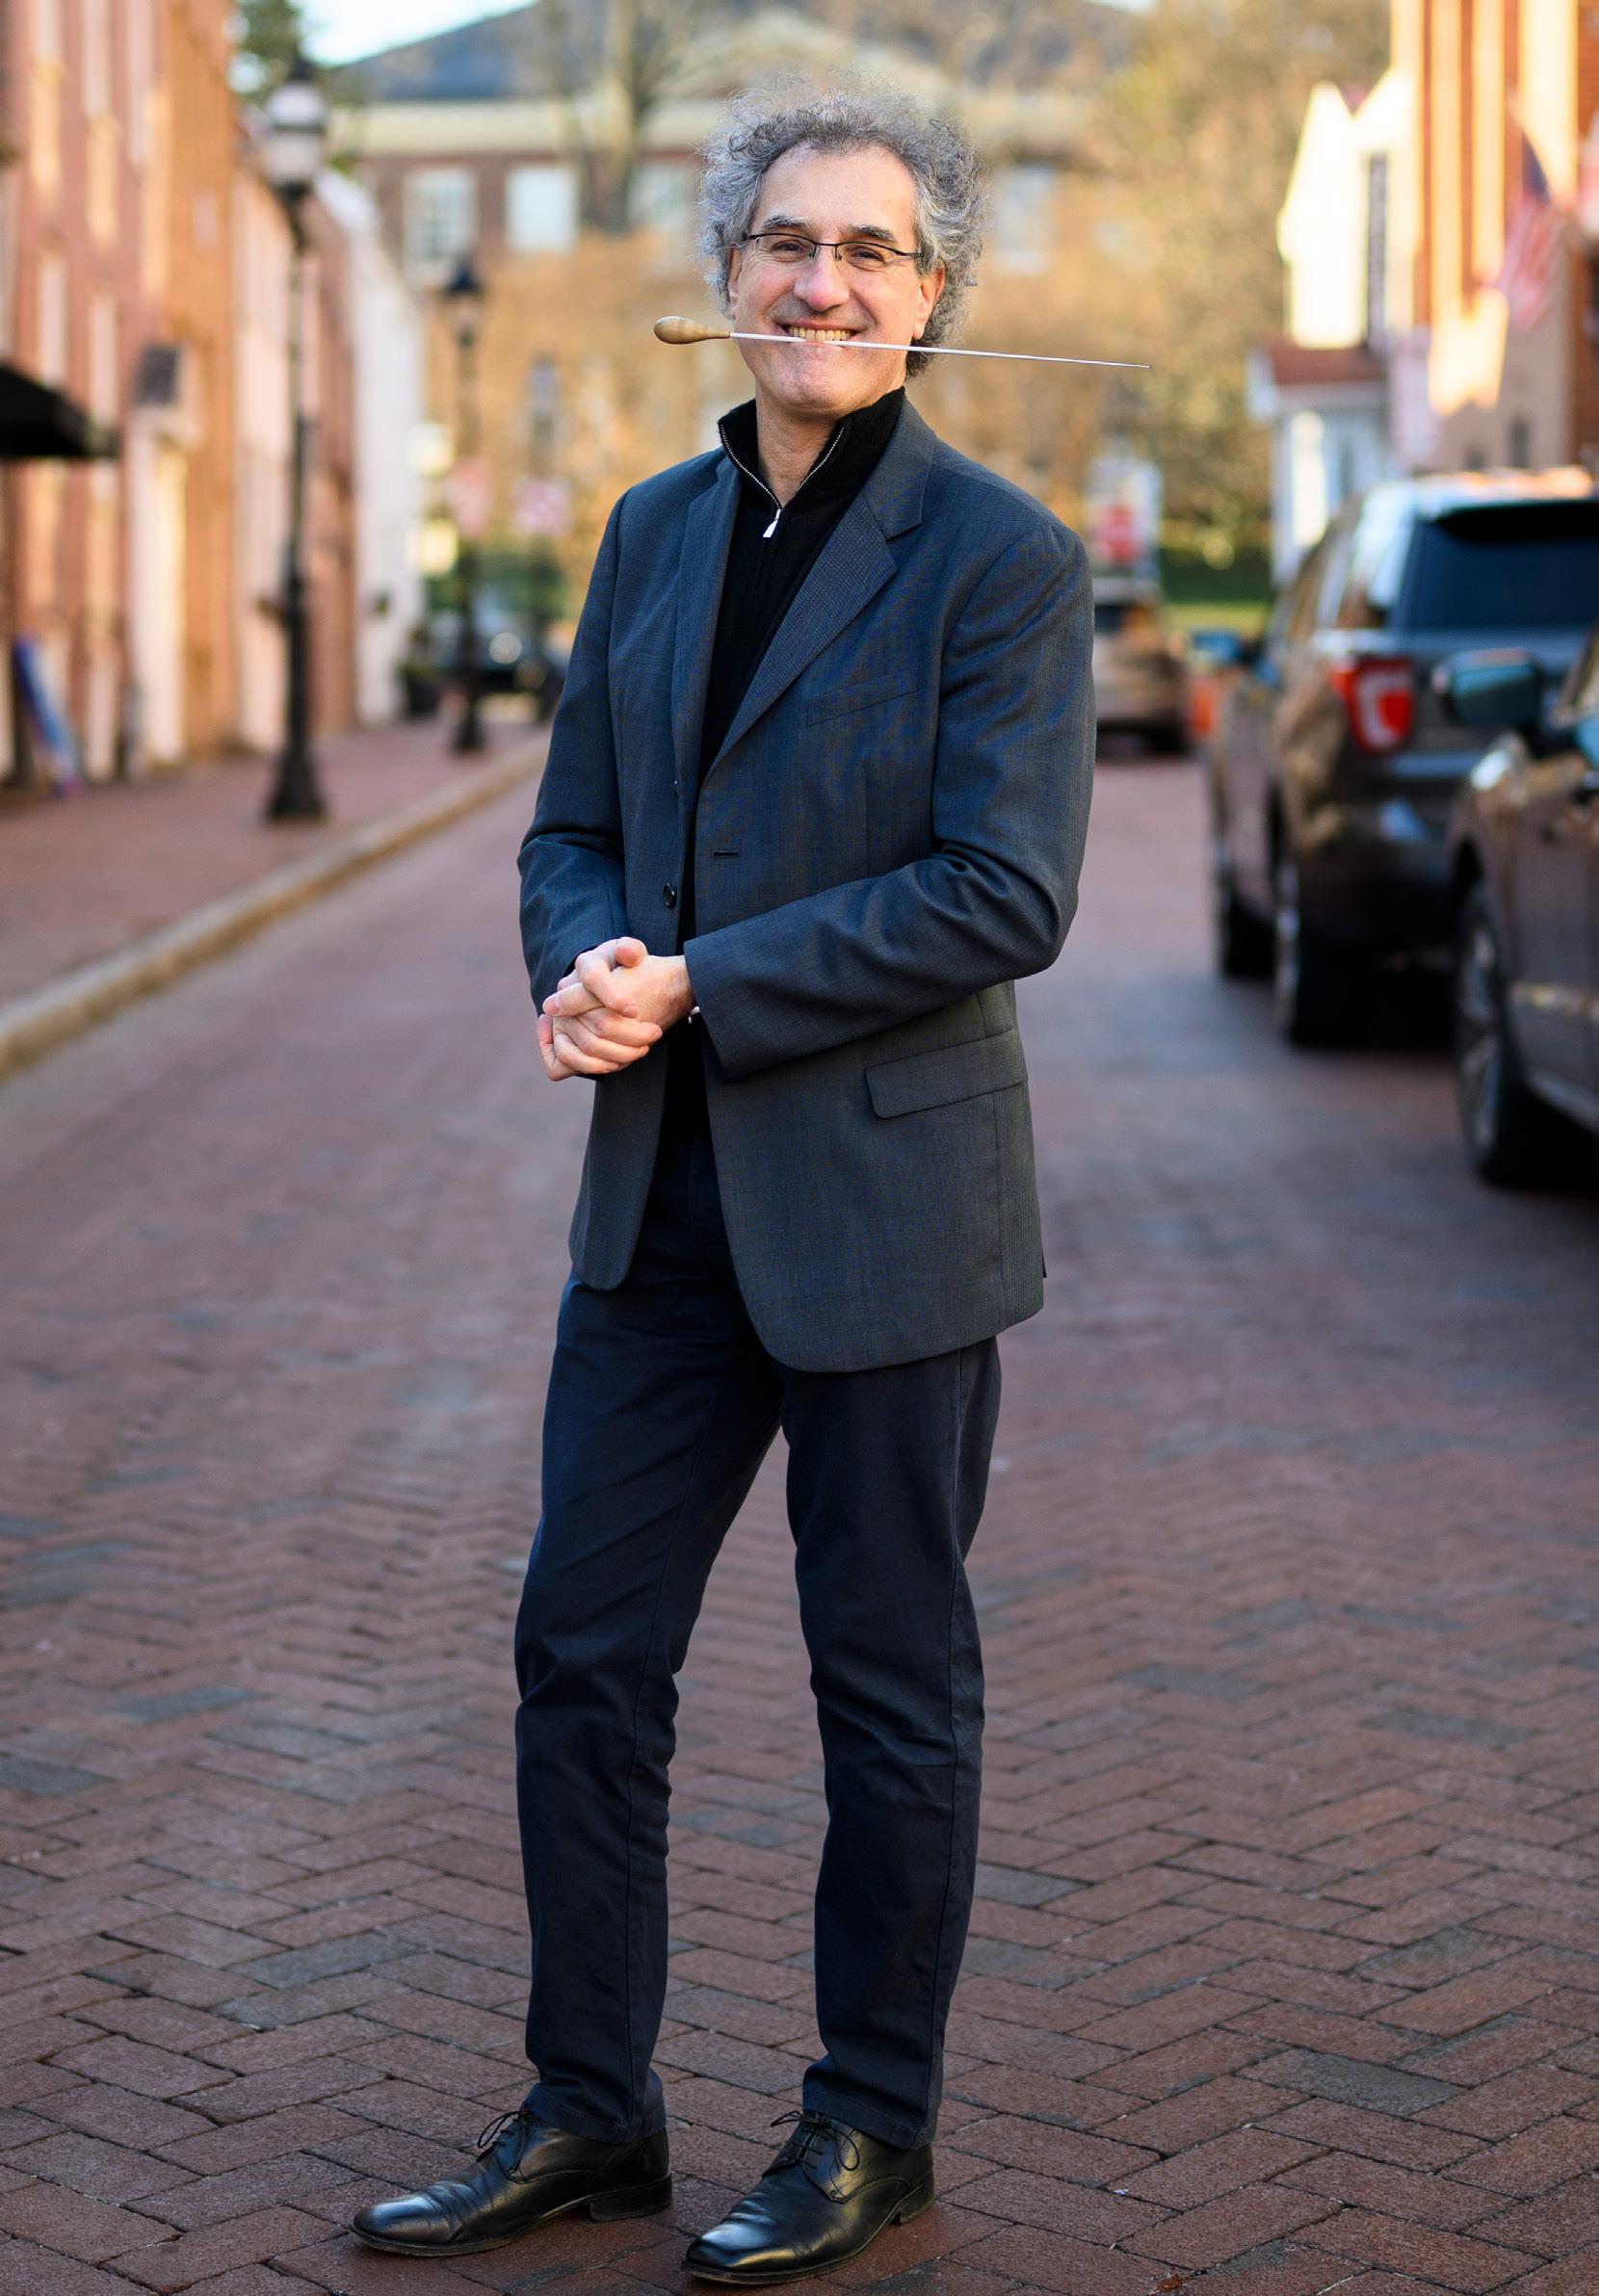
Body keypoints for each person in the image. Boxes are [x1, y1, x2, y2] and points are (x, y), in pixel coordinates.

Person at [352, 82, 1094, 2284]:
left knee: (889, 1689)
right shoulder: (648, 532)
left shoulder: (1001, 558)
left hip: (886, 1212)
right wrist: (583, 962)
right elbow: (573, 822)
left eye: (868, 250)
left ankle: (869, 2125)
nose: (820, 281)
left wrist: (703, 983)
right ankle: (590, 2104)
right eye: (786, 239)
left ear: (928, 295)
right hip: (655, 1209)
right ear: (727, 273)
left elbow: (1002, 889)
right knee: (579, 1650)